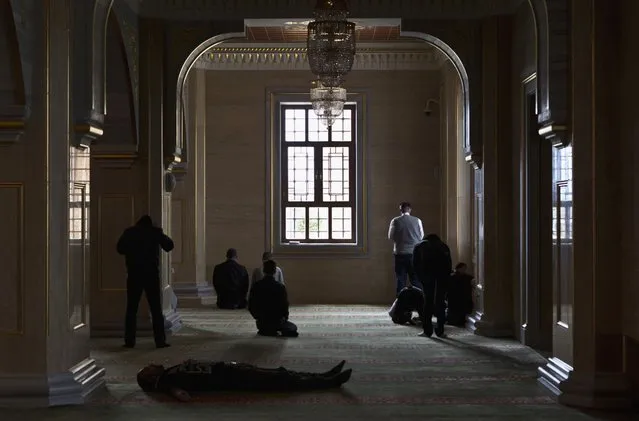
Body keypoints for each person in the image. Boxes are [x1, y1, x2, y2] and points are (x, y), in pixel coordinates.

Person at [136, 359, 353, 401]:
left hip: (233, 369)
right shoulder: (167, 382)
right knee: (282, 379)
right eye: (147, 368)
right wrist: (176, 393)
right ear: (149, 376)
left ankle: (325, 375)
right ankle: (330, 382)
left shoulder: (170, 372)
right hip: (235, 379)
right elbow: (181, 395)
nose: (151, 364)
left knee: (281, 372)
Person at [116, 215, 173, 349]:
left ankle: (129, 341)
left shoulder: (129, 232)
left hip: (134, 274)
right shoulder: (155, 232)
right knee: (156, 309)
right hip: (151, 274)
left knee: (131, 309)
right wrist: (160, 233)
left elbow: (120, 249)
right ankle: (160, 341)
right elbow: (169, 246)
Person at [413, 233, 452, 338]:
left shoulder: (419, 246)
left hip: (427, 278)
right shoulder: (443, 246)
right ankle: (440, 331)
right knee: (440, 303)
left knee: (427, 303)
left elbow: (415, 264)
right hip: (442, 278)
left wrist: (421, 278)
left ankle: (427, 331)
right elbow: (449, 265)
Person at [249, 259, 298, 337]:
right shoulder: (280, 287)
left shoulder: (257, 286)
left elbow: (251, 305)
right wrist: (284, 318)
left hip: (261, 323)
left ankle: (266, 330)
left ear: (264, 270)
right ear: (275, 271)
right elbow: (285, 305)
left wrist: (258, 317)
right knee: (293, 327)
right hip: (277, 322)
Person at [387, 202, 425, 295]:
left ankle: (400, 304)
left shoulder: (395, 221)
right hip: (414, 253)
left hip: (400, 253)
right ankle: (421, 301)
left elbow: (390, 236)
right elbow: (421, 237)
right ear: (410, 209)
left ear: (400, 210)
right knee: (415, 279)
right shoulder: (417, 220)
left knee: (400, 279)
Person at [447, 262, 475, 326]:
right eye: (463, 268)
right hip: (455, 297)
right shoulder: (452, 277)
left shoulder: (467, 277)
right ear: (459, 268)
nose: (464, 269)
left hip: (462, 297)